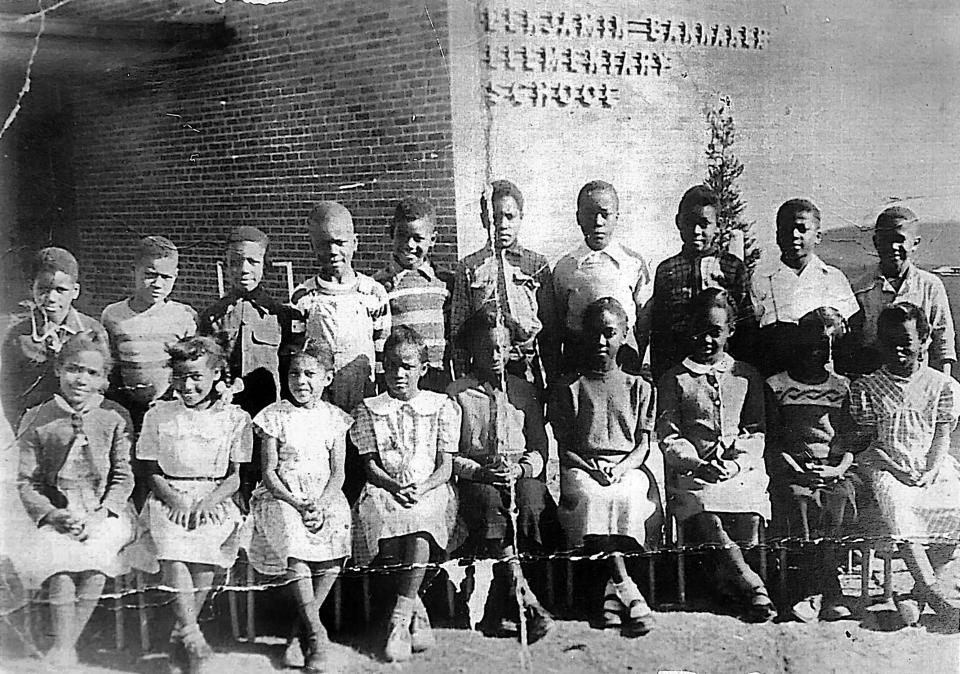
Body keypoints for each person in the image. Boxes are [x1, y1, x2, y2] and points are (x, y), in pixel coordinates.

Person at [131, 336, 252, 673]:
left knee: (207, 551)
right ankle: (192, 636)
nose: (188, 385)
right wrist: (175, 499)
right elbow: (150, 469)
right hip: (169, 495)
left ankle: (179, 639)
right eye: (181, 376)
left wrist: (210, 500)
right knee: (172, 545)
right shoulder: (160, 414)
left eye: (197, 376)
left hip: (215, 496)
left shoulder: (234, 418)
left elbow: (235, 478)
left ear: (217, 375)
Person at [16, 331, 135, 666]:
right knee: (60, 555)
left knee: (98, 554)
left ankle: (66, 644)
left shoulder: (114, 416)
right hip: (58, 508)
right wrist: (54, 515)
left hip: (105, 508)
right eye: (74, 369)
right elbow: (27, 481)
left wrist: (102, 512)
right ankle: (64, 647)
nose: (81, 379)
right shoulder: (37, 417)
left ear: (104, 380)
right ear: (58, 368)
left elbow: (123, 476)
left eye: (92, 373)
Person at [657, 288, 776, 622]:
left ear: (731, 332)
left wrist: (736, 461)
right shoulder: (674, 378)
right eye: (699, 331)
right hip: (693, 469)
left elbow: (755, 430)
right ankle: (752, 585)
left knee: (750, 509)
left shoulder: (745, 375)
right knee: (707, 509)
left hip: (739, 467)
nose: (706, 340)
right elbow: (669, 434)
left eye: (715, 332)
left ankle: (726, 578)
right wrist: (698, 463)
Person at [549, 297, 661, 637]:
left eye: (610, 333)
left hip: (626, 468)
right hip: (583, 468)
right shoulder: (570, 387)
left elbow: (643, 444)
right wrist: (593, 468)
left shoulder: (639, 386)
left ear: (624, 335)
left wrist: (624, 466)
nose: (601, 342)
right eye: (595, 334)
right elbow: (565, 447)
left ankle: (611, 600)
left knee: (628, 496)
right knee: (593, 496)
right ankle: (626, 587)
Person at [447, 312, 559, 642]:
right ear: (472, 351)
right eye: (485, 349)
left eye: (500, 349)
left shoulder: (525, 391)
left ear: (510, 349)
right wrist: (480, 471)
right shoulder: (458, 393)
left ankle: (508, 599)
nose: (494, 356)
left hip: (518, 472)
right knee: (488, 505)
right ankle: (524, 601)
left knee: (530, 499)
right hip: (479, 477)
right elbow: (450, 456)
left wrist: (522, 469)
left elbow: (540, 447)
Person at [350, 327, 460, 662]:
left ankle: (398, 620)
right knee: (383, 515)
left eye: (408, 367)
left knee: (422, 515)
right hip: (385, 487)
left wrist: (423, 487)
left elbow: (445, 467)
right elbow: (370, 466)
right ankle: (415, 610)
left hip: (431, 487)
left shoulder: (441, 406)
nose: (399, 374)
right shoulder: (369, 408)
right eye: (392, 365)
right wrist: (394, 486)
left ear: (423, 369)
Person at [849, 302, 960, 629]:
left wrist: (930, 469)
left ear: (924, 341)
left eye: (907, 342)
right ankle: (936, 596)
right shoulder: (868, 387)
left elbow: (942, 435)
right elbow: (867, 443)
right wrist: (897, 470)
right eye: (890, 342)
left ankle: (916, 592)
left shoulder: (942, 385)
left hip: (928, 464)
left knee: (955, 504)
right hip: (885, 464)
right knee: (899, 507)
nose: (898, 350)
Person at [247, 341, 352, 671]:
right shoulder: (274, 417)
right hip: (282, 496)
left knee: (337, 540)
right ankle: (317, 635)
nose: (301, 381)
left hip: (323, 496)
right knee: (295, 542)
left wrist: (320, 502)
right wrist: (296, 501)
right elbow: (268, 473)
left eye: (310, 374)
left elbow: (339, 473)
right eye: (294, 373)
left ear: (327, 378)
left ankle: (299, 633)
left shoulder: (335, 419)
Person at [765, 307, 859, 622]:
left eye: (823, 349)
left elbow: (848, 438)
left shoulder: (841, 386)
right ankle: (807, 587)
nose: (814, 354)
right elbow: (774, 440)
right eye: (806, 347)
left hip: (832, 468)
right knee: (798, 498)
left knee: (838, 498)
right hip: (793, 466)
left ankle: (828, 587)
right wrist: (796, 468)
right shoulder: (777, 385)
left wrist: (837, 469)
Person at [198, 226, 297, 504]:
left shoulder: (281, 315)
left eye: (252, 261)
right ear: (226, 265)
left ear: (264, 266)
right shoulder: (213, 316)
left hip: (267, 415)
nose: (243, 268)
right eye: (236, 261)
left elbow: (289, 365)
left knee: (268, 480)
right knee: (232, 479)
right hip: (227, 414)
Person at [451, 179, 559, 391]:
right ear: (484, 219)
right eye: (495, 217)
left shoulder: (536, 265)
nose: (502, 225)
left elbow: (550, 332)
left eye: (509, 216)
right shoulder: (468, 267)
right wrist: (463, 380)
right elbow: (459, 330)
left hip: (525, 368)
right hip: (483, 370)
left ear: (521, 217)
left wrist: (552, 382)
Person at [291, 202, 391, 415]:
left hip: (364, 392)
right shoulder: (302, 296)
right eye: (324, 244)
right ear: (313, 246)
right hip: (319, 399)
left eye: (339, 243)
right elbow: (296, 350)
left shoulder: (373, 292)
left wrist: (382, 393)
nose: (333, 251)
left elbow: (382, 348)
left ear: (355, 243)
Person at [650, 185, 755, 382]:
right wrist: (660, 377)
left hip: (723, 365)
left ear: (718, 225)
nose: (696, 231)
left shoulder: (732, 266)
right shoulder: (667, 269)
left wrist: (743, 373)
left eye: (704, 223)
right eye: (690, 223)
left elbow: (746, 325)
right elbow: (659, 331)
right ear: (678, 222)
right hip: (678, 366)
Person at [553, 181, 652, 377]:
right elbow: (558, 321)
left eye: (605, 214)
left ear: (616, 217)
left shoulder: (632, 262)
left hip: (622, 359)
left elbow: (644, 319)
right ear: (578, 217)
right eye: (590, 214)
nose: (598, 222)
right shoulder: (566, 267)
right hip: (579, 361)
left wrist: (635, 359)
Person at [2, 247, 108, 429]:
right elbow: (8, 390)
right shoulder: (19, 336)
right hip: (35, 427)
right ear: (31, 288)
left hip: (83, 425)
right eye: (43, 289)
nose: (51, 297)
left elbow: (104, 383)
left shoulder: (92, 330)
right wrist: (20, 426)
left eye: (61, 290)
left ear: (75, 291)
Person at [750, 199, 857, 376]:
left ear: (817, 236)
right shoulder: (761, 278)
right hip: (776, 379)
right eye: (786, 228)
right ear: (777, 235)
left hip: (824, 381)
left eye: (802, 229)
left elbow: (848, 338)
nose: (793, 234)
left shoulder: (834, 278)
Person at [101, 235, 198, 428]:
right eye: (150, 275)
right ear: (134, 271)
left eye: (166, 277)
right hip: (126, 407)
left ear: (175, 275)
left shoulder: (185, 316)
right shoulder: (113, 315)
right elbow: (109, 364)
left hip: (171, 408)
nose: (158, 284)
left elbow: (191, 366)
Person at [848, 206, 956, 376]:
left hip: (918, 382)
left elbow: (943, 344)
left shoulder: (930, 286)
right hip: (874, 382)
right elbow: (854, 343)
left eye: (900, 239)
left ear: (915, 243)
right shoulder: (861, 289)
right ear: (876, 242)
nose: (893, 246)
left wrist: (943, 387)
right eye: (885, 240)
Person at [374, 197, 453, 392]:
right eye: (402, 235)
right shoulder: (377, 285)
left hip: (436, 377)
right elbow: (377, 339)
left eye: (418, 238)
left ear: (432, 239)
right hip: (398, 380)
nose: (409, 245)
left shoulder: (444, 282)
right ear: (391, 233)